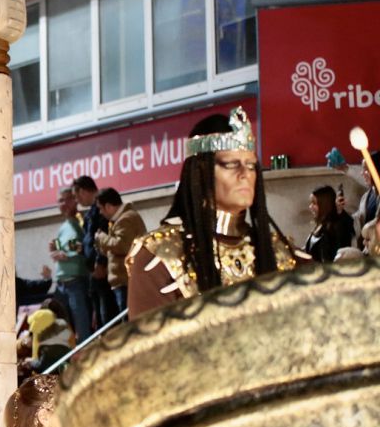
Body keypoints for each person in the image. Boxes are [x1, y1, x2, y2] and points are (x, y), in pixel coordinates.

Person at [126, 107, 299, 318]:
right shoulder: (159, 257)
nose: (245, 175)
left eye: (251, 165)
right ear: (200, 172)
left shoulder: (282, 252)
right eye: (231, 164)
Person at [93, 188, 147, 315]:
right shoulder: (120, 219)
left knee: (130, 322)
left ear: (108, 206)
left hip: (126, 281)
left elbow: (122, 245)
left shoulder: (126, 219)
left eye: (101, 208)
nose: (100, 213)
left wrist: (102, 238)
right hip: (123, 281)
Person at [73, 176, 117, 328]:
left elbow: (104, 235)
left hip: (102, 272)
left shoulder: (100, 210)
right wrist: (82, 249)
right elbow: (91, 240)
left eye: (77, 196)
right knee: (99, 319)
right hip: (93, 273)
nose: (77, 200)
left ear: (84, 191)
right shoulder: (90, 213)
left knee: (107, 317)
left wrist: (100, 262)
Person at [49, 188, 92, 340]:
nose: (64, 203)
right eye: (60, 200)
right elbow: (63, 249)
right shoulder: (63, 227)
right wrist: (54, 250)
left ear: (75, 200)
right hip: (61, 284)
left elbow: (86, 247)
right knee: (63, 328)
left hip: (77, 282)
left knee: (82, 325)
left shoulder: (83, 221)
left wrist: (65, 254)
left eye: (67, 199)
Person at [305, 185, 353, 263]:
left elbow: (331, 260)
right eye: (310, 203)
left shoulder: (335, 228)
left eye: (314, 203)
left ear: (324, 204)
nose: (310, 207)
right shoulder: (320, 225)